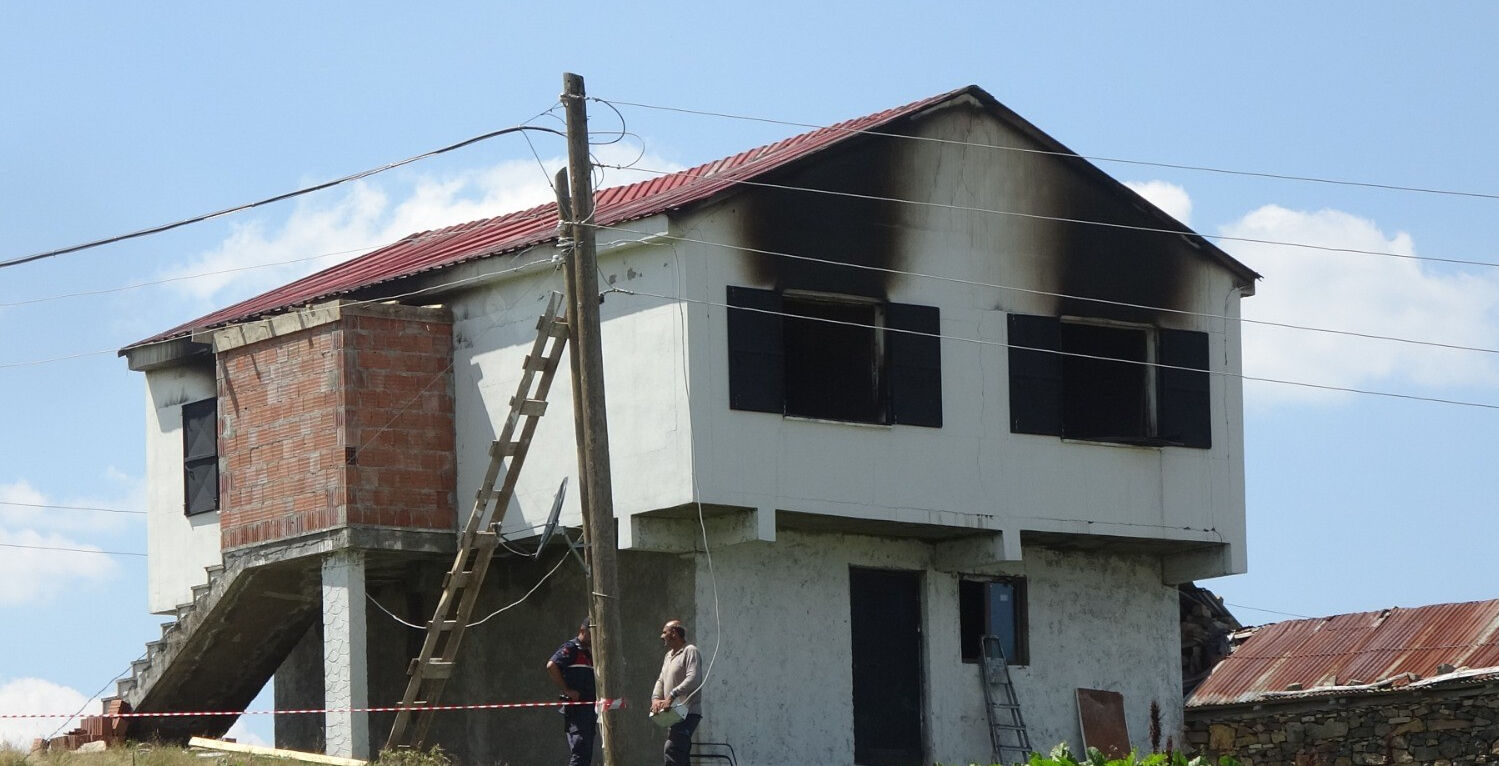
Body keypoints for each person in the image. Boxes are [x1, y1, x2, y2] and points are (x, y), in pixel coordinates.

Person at [650, 619, 703, 766]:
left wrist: (672, 696)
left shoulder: (690, 651)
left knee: (673, 748)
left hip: (688, 711)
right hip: (675, 713)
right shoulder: (668, 656)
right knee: (680, 752)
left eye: (664, 632)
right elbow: (661, 680)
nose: (662, 636)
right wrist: (656, 698)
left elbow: (693, 678)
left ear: (674, 633)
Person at [546, 619, 596, 766]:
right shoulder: (572, 648)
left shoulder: (590, 653)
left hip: (588, 709)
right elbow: (551, 665)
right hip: (577, 709)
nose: (594, 638)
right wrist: (566, 689)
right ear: (582, 630)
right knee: (580, 751)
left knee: (585, 753)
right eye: (591, 634)